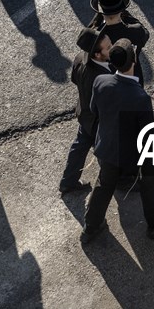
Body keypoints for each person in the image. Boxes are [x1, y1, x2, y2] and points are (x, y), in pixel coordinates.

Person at [81, 39, 154, 243]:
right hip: (132, 153)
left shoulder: (101, 81)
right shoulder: (139, 97)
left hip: (107, 146)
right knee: (150, 182)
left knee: (104, 185)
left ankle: (91, 226)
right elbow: (147, 133)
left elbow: (94, 110)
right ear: (134, 60)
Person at [60, 27, 113, 195]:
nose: (113, 48)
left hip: (84, 113)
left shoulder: (79, 59)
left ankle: (68, 182)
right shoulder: (101, 77)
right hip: (98, 121)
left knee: (80, 146)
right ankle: (116, 181)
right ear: (97, 54)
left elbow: (75, 79)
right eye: (109, 48)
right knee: (107, 153)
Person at [86, 0, 150, 85]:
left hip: (108, 83)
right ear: (122, 7)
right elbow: (145, 34)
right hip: (134, 80)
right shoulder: (136, 31)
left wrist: (99, 15)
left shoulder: (95, 35)